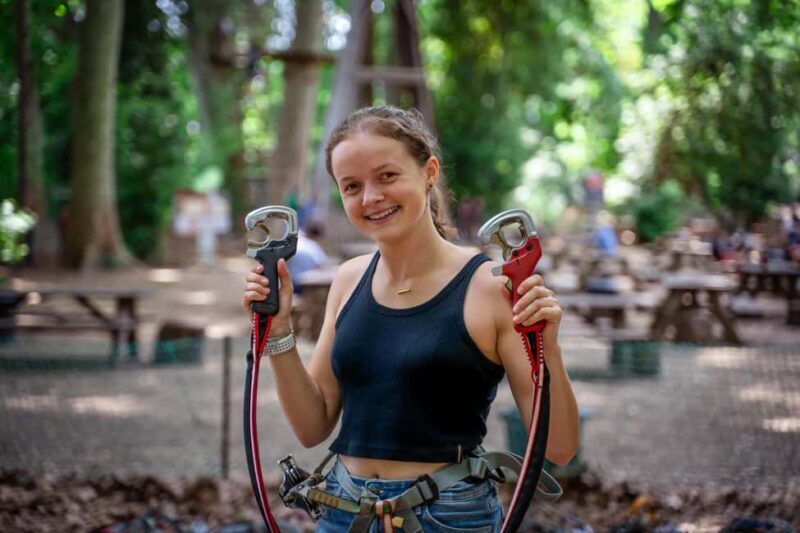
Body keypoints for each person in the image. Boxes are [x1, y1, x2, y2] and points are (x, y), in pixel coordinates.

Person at [242, 106, 579, 532]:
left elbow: (561, 446)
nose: (370, 198)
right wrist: (280, 329)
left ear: (429, 172)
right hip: (344, 511)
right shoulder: (348, 280)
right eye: (351, 186)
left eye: (387, 176)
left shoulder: (491, 290)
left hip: (448, 515)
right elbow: (312, 426)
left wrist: (547, 346)